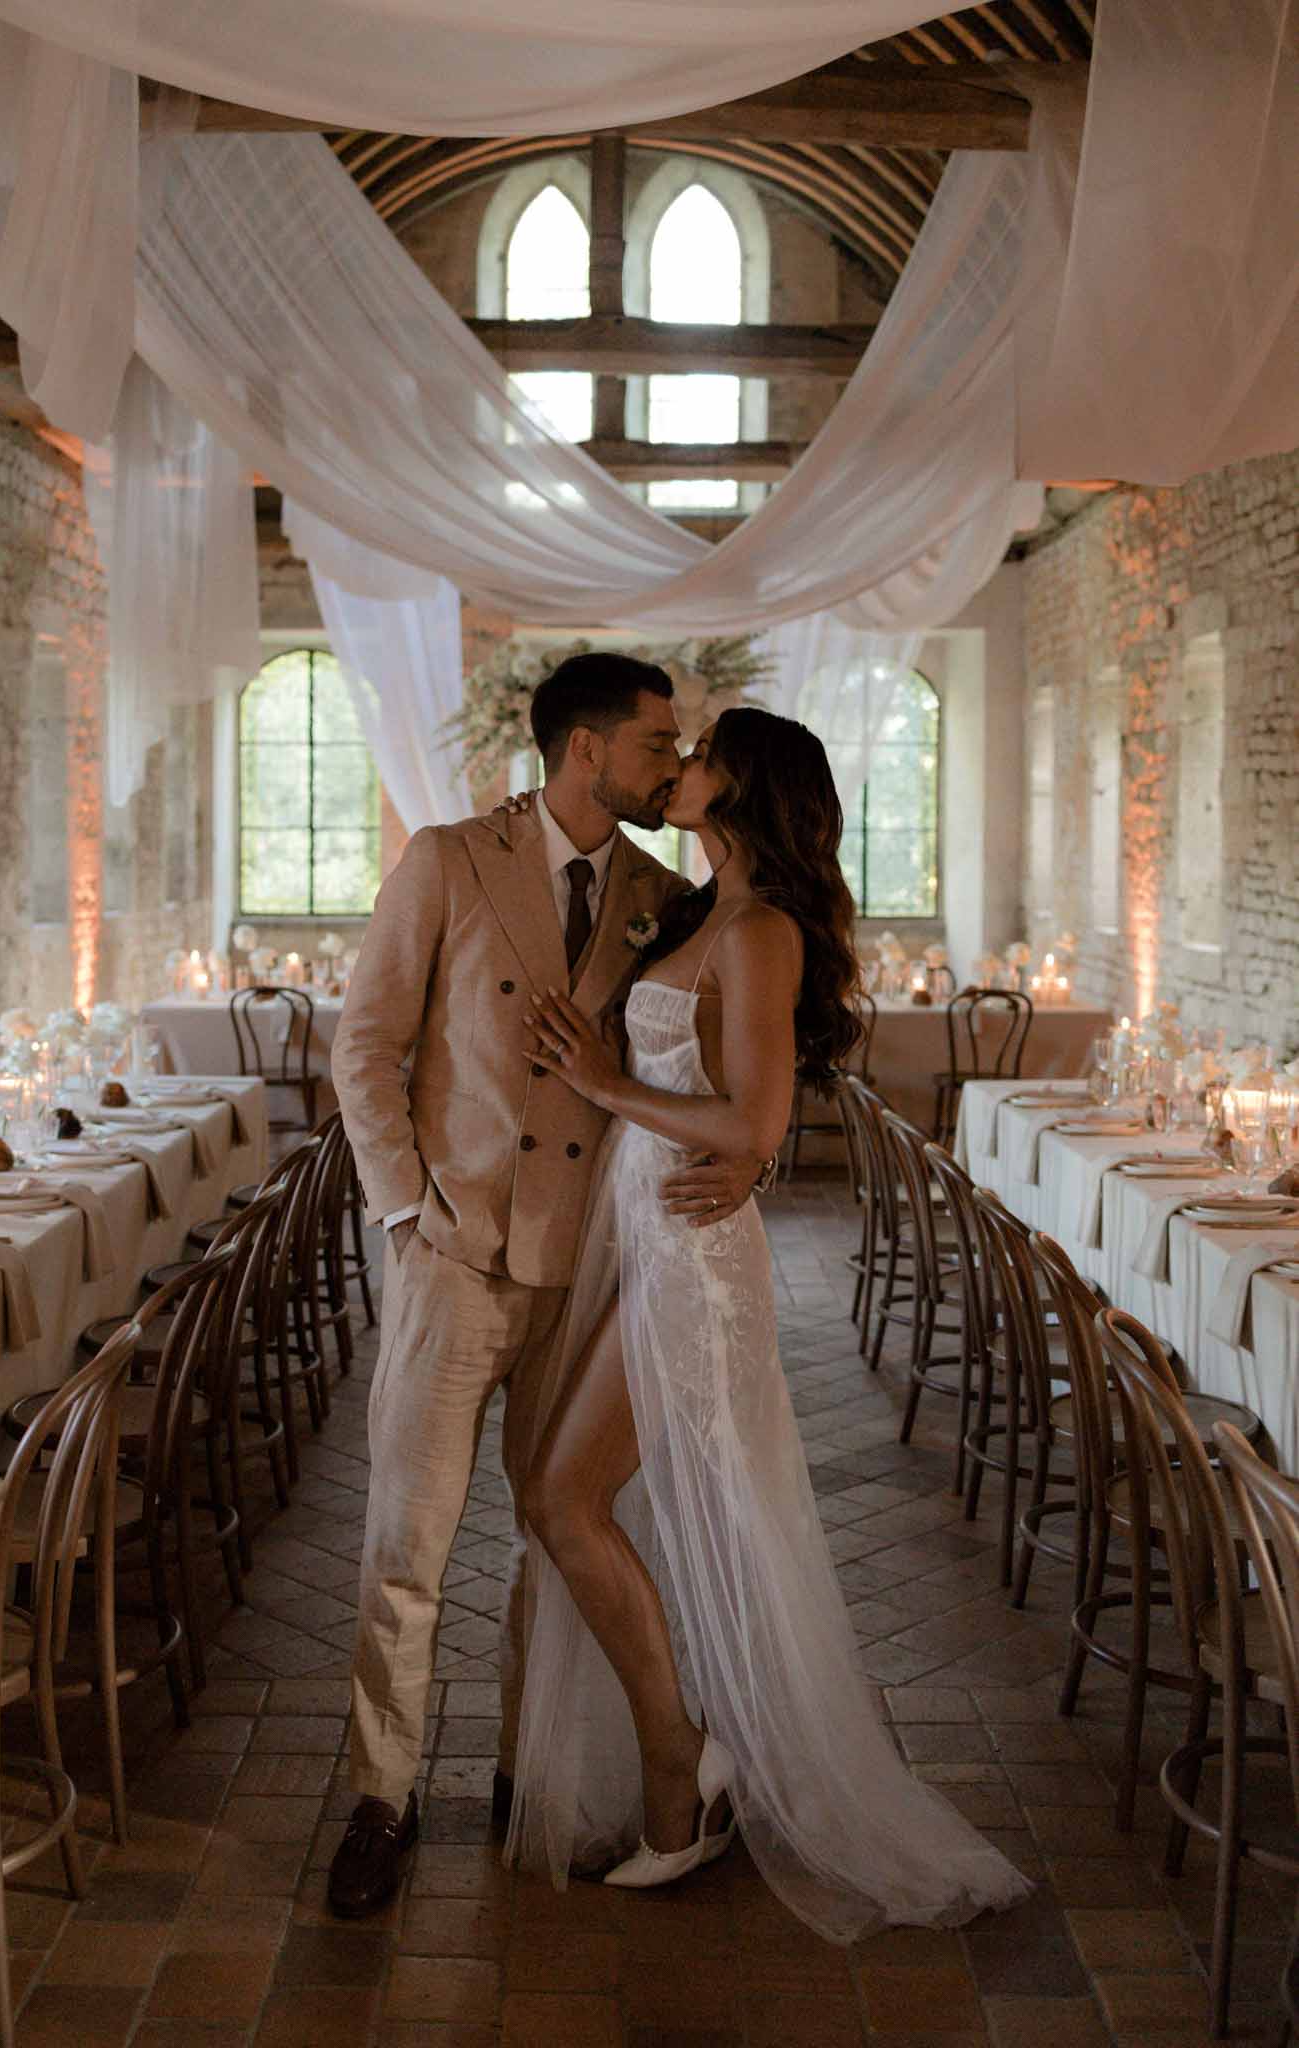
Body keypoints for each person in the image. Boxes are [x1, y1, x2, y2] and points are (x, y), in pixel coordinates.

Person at [508, 706, 1032, 1938]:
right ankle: (685, 1752)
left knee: (561, 1498)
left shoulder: (762, 933)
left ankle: (681, 1766)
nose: (679, 766)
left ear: (743, 785)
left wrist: (604, 1082)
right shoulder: (695, 913)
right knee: (560, 1488)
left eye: (698, 756)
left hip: (690, 1249)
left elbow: (752, 1129)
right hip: (644, 1229)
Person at [326, 653, 767, 1919]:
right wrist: (408, 1209)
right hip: (458, 1255)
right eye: (654, 744)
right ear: (585, 748)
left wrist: (749, 1156)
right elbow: (366, 1045)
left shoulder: (661, 895)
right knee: (407, 1543)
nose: (674, 766)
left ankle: (530, 1771)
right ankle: (382, 1795)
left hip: (589, 1269)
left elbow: (729, 1048)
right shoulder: (450, 860)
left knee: (551, 1534)